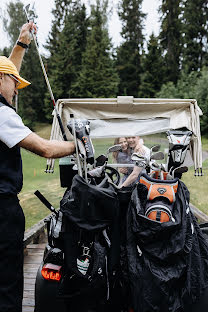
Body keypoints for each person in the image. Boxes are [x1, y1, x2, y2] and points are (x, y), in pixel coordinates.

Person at [0, 22, 75, 312]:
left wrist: (21, 43)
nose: (17, 90)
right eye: (14, 84)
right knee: (7, 280)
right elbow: (45, 148)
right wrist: (78, 145)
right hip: (3, 211)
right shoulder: (3, 114)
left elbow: (7, 70)